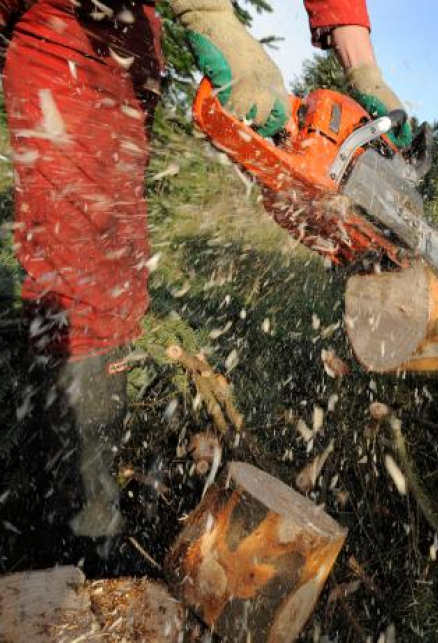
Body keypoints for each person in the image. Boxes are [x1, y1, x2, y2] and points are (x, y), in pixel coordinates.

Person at [0, 0, 410, 543]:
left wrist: (363, 70)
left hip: (124, 27)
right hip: (62, 17)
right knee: (81, 263)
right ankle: (78, 534)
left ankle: (85, 492)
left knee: (115, 268)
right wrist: (208, 13)